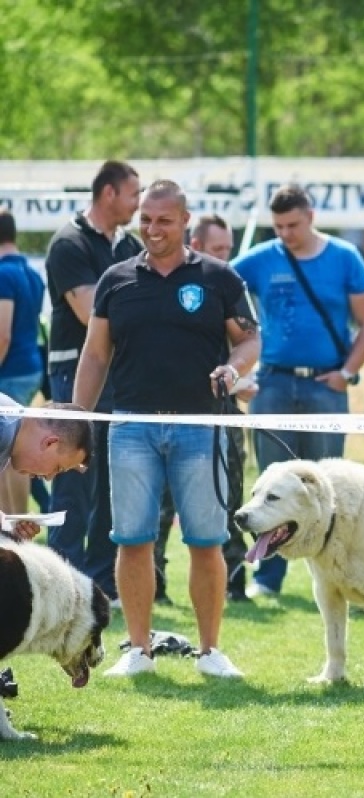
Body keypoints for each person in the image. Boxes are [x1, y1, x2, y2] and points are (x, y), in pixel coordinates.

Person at [74, 180, 260, 678]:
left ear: (185, 221)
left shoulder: (220, 278)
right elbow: (95, 355)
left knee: (205, 541)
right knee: (132, 539)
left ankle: (210, 652)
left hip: (201, 427)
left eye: (164, 221)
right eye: (146, 220)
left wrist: (234, 368)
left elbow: (249, 340)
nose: (152, 229)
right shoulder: (115, 279)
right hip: (131, 428)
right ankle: (139, 650)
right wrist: (77, 421)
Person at [233, 184, 364, 599]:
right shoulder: (261, 258)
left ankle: (338, 573)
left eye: (293, 225)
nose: (285, 234)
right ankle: (267, 578)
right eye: (278, 226)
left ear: (311, 217)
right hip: (273, 382)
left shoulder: (344, 257)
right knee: (269, 487)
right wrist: (240, 367)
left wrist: (347, 373)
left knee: (328, 485)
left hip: (325, 384)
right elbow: (217, 290)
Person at [44, 160, 143, 603]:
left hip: (120, 374)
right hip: (75, 371)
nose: (138, 204)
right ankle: (60, 583)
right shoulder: (69, 243)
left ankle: (102, 585)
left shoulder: (130, 245)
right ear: (109, 193)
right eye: (133, 194)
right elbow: (89, 314)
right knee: (72, 476)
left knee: (112, 483)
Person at [153, 215, 254, 605]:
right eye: (217, 249)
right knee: (162, 504)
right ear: (194, 244)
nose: (225, 256)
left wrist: (241, 379)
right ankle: (156, 583)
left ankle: (235, 580)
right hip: (169, 411)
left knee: (231, 496)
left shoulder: (229, 284)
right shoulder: (169, 284)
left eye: (228, 248)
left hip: (223, 410)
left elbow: (247, 343)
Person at [0, 211, 48, 518]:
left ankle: (14, 524)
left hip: (9, 371)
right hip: (31, 366)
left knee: (11, 453)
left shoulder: (3, 275)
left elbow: (2, 334)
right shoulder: (31, 273)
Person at [0, 394, 94, 541]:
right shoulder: (3, 429)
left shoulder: (10, 425)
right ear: (50, 443)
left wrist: (7, 528)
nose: (49, 477)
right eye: (58, 468)